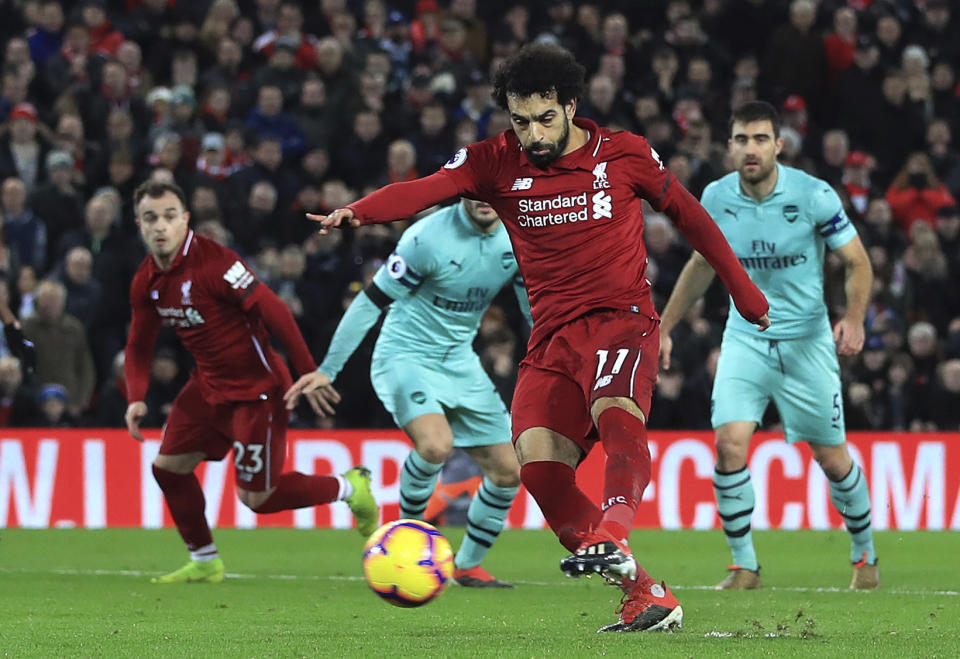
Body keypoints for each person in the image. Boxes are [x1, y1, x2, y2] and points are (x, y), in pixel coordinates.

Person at [302, 43, 769, 633]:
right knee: (540, 469)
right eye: (521, 122)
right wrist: (359, 212)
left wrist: (745, 293)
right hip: (551, 337)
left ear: (571, 106)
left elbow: (692, 217)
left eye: (545, 119)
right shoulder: (493, 161)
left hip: (621, 317)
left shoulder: (623, 155)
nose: (534, 134)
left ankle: (614, 533)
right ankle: (646, 595)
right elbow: (423, 189)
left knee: (618, 411)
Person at [658, 101, 878, 591]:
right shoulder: (715, 197)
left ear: (778, 145)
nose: (750, 149)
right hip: (746, 338)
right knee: (729, 444)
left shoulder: (814, 194)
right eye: (741, 139)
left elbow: (857, 262)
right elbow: (701, 266)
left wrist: (855, 317)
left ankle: (865, 553)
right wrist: (665, 326)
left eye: (760, 139)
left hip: (807, 342)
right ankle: (744, 566)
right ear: (729, 146)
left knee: (832, 458)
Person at [123, 180, 378, 584]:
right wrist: (136, 397)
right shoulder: (146, 279)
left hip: (257, 390)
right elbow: (138, 344)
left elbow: (271, 308)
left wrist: (308, 367)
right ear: (139, 224)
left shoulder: (215, 263)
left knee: (257, 498)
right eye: (150, 218)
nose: (160, 227)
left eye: (170, 216)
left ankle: (348, 487)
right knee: (167, 469)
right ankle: (205, 560)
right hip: (207, 388)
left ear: (185, 220)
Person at [285, 198, 530, 588]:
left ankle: (466, 566)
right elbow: (370, 302)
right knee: (436, 446)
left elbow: (532, 307)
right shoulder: (426, 238)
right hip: (405, 356)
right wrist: (328, 369)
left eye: (492, 190)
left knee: (509, 471)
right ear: (463, 191)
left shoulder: (518, 235)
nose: (484, 199)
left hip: (460, 362)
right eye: (475, 190)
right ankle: (407, 535)